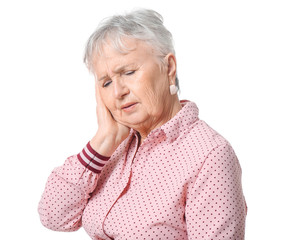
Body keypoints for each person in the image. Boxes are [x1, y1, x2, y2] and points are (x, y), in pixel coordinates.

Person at [38, 8, 247, 240]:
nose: (118, 92)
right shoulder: (114, 147)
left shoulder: (210, 155)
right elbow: (54, 217)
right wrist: (104, 140)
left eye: (128, 72)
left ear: (169, 68)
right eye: (106, 83)